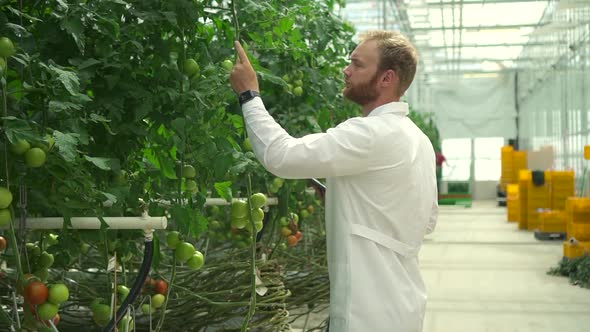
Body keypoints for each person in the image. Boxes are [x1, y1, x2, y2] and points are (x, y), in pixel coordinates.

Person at [229, 30, 438, 332]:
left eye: (357, 64)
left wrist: (249, 95)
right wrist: (348, 198)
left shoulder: (370, 134)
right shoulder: (418, 140)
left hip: (366, 313)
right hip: (403, 305)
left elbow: (280, 156)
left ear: (386, 78)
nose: (346, 70)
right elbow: (425, 219)